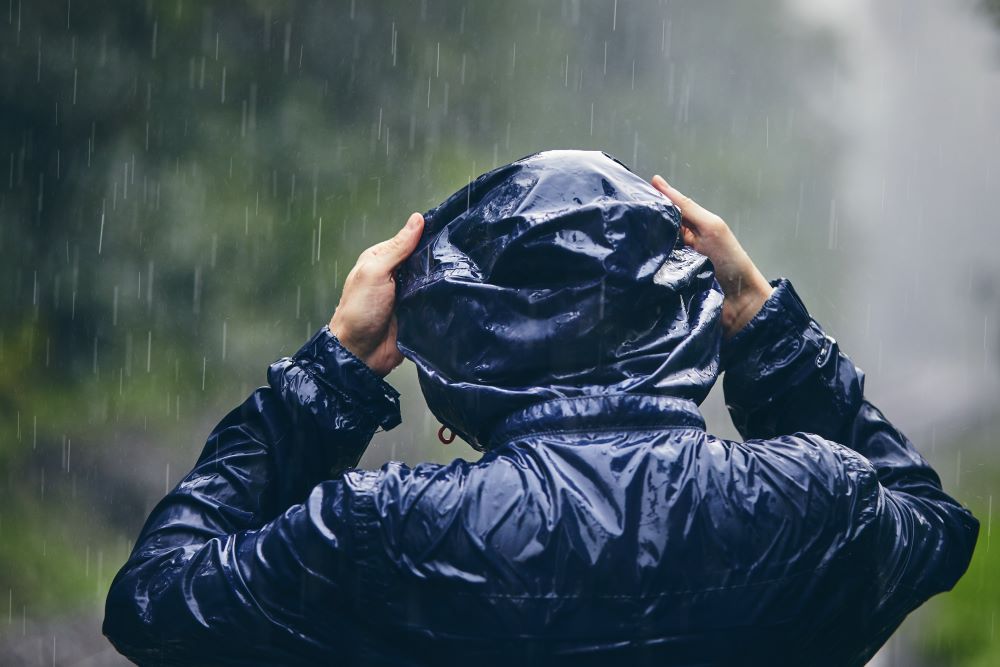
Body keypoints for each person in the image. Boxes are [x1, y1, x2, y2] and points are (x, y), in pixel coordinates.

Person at [103, 150, 978, 666]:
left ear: (460, 350)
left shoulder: (386, 530)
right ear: (688, 311)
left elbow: (153, 605)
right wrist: (762, 322)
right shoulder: (819, 505)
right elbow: (938, 526)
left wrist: (333, 370)